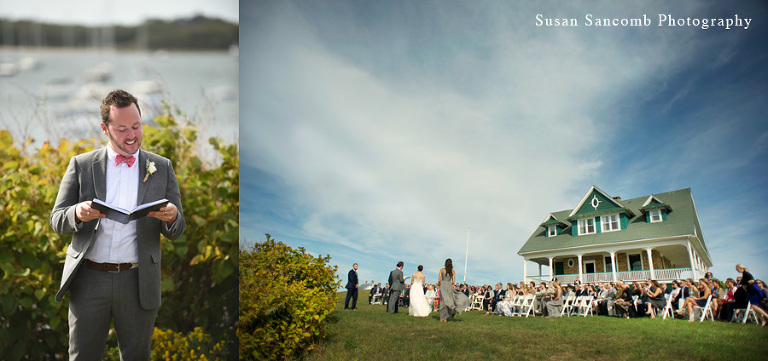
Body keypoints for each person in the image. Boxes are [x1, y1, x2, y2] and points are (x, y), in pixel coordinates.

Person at [50, 89, 186, 359]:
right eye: (122, 128)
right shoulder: (81, 164)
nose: (132, 135)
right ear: (105, 128)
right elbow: (57, 220)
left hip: (138, 281)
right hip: (89, 279)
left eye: (136, 126)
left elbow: (178, 227)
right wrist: (78, 213)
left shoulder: (162, 166)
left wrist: (171, 217)